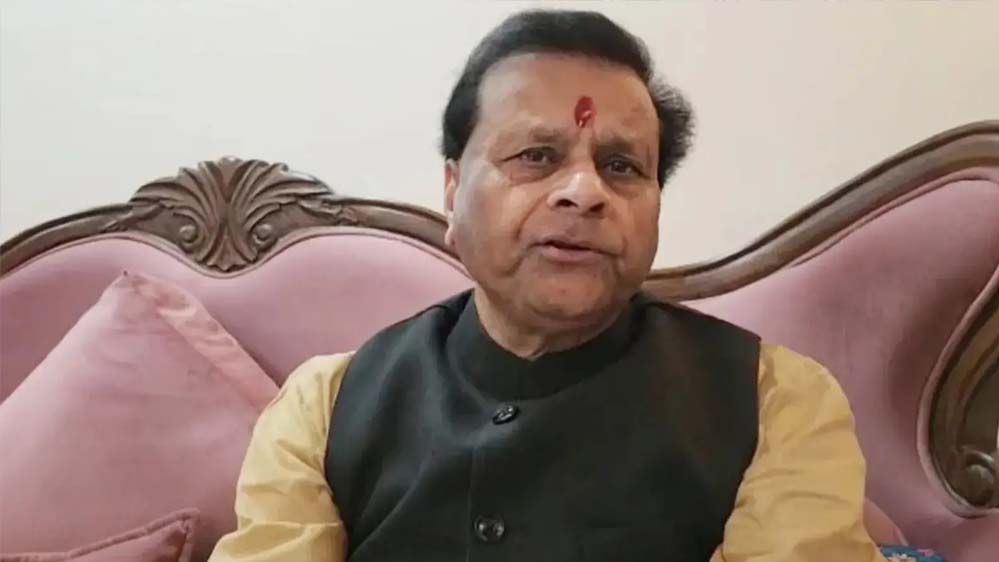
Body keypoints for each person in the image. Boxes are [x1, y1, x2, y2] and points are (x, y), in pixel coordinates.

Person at [210, 10, 886, 562]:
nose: (584, 192)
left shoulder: (774, 402)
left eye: (621, 166)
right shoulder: (325, 409)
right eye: (536, 157)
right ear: (452, 191)